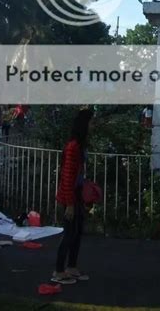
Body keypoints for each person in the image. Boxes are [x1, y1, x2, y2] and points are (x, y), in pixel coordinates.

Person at [53, 107, 94, 285]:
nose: (93, 125)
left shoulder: (80, 145)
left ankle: (71, 266)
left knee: (77, 231)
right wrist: (69, 203)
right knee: (69, 233)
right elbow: (68, 175)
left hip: (77, 193)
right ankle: (59, 270)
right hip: (70, 194)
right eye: (91, 122)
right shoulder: (73, 147)